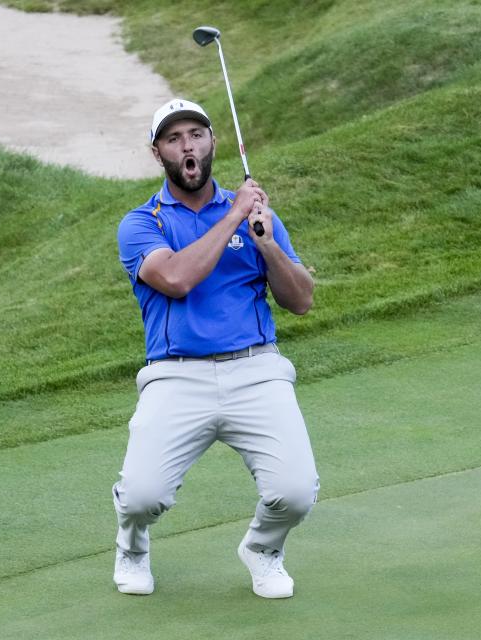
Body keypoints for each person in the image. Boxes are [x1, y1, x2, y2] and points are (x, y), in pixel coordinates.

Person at [112, 98, 320, 599]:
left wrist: (266, 242)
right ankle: (132, 546)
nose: (188, 146)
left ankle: (263, 549)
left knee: (294, 493)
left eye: (196, 134)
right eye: (174, 138)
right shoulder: (142, 223)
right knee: (141, 496)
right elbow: (177, 279)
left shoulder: (257, 217)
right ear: (157, 152)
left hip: (256, 369)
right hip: (176, 376)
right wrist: (233, 217)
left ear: (213, 143)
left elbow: (301, 301)